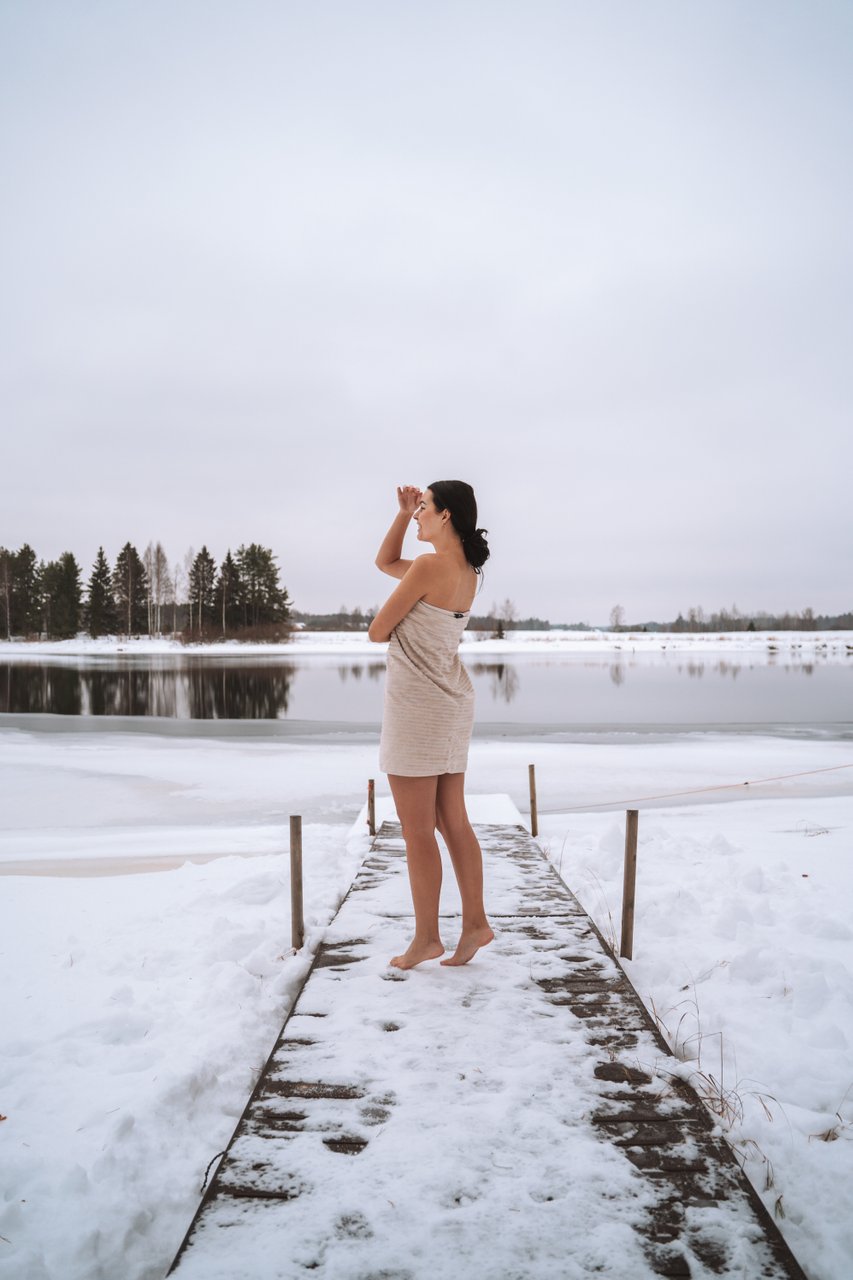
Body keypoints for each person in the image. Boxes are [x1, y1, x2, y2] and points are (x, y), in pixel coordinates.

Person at [368, 481, 495, 970]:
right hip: (452, 702)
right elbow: (386, 564)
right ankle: (475, 923)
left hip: (418, 708)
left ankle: (426, 939)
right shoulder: (466, 570)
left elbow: (378, 631)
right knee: (451, 820)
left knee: (418, 830)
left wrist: (396, 626)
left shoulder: (427, 567)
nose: (418, 515)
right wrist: (400, 514)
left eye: (422, 509)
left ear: (445, 516)